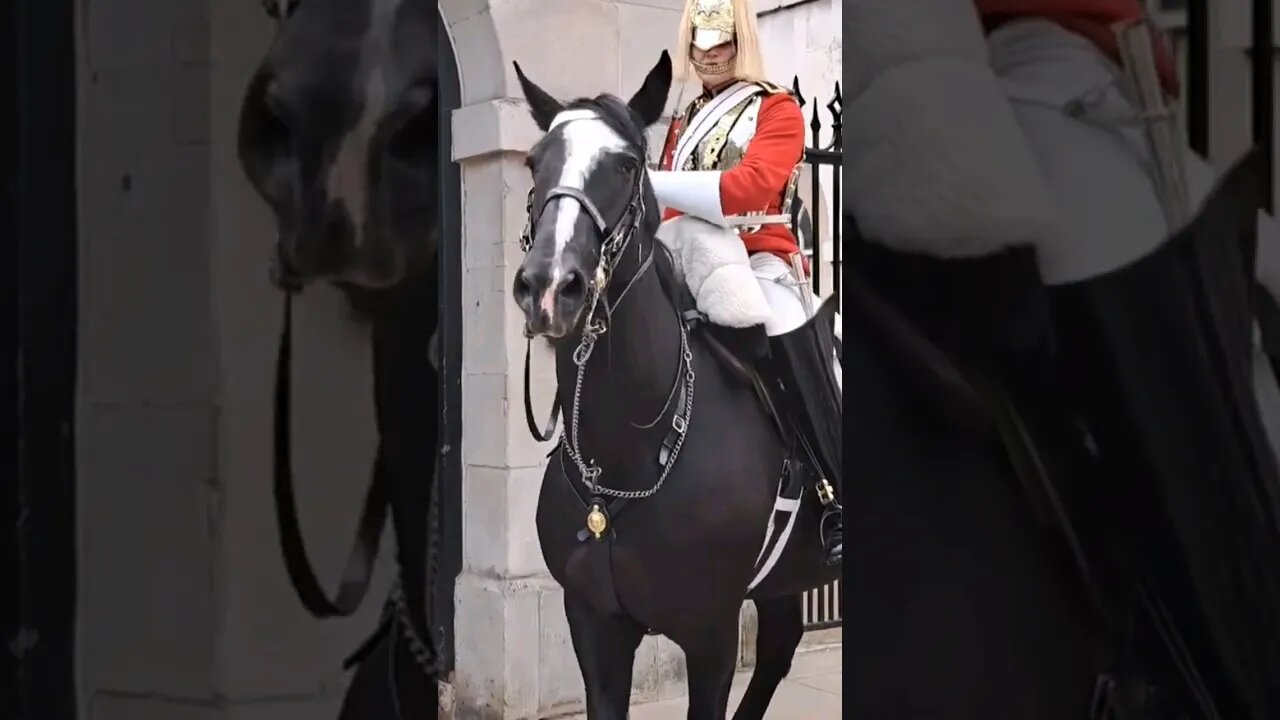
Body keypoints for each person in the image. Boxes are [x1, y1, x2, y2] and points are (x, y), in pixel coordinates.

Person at [650, 0, 842, 566]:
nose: (708, 58)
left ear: (741, 43)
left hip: (762, 259)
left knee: (786, 332)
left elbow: (748, 191)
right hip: (687, 258)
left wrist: (655, 182)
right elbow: (664, 217)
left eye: (720, 45)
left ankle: (836, 492)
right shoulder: (682, 124)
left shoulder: (778, 109)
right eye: (699, 46)